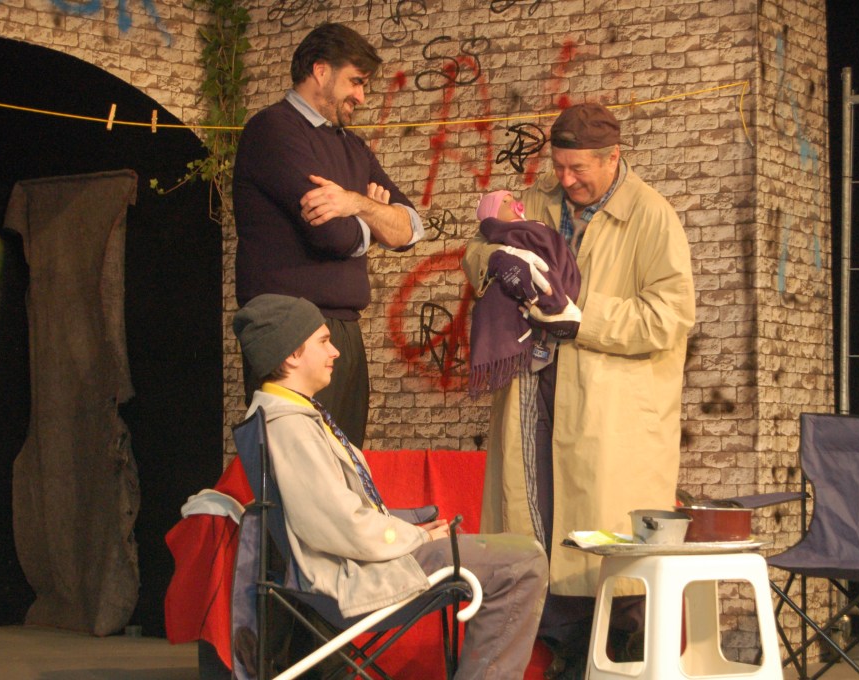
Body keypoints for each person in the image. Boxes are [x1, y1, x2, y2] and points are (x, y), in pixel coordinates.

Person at [462, 103, 696, 676]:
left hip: (609, 411)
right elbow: (478, 249)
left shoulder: (651, 215)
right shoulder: (536, 199)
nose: (565, 180)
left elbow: (668, 318)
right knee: (537, 528)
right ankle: (566, 657)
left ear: (613, 158)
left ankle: (620, 660)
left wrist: (580, 316)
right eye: (558, 166)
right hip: (533, 396)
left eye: (578, 169)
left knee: (605, 542)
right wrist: (499, 260)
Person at [233, 293, 548, 679]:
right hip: (354, 576)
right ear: (291, 356)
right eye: (323, 341)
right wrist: (417, 537)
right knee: (524, 561)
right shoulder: (290, 427)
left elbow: (335, 515)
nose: (335, 351)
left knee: (507, 554)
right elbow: (341, 524)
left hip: (360, 563)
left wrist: (410, 528)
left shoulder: (291, 417)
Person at [233, 22, 425, 447]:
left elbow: (411, 228)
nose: (362, 96)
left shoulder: (353, 148)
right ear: (320, 71)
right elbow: (332, 237)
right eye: (355, 81)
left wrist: (356, 203)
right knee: (297, 466)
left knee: (345, 464)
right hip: (290, 331)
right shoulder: (273, 130)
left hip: (343, 329)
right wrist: (377, 219)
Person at [467, 190, 581, 397]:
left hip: (583, 356)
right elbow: (473, 252)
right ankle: (553, 301)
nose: (514, 203)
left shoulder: (640, 206)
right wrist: (501, 256)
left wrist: (587, 324)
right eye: (505, 201)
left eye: (511, 199)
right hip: (531, 348)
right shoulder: (534, 197)